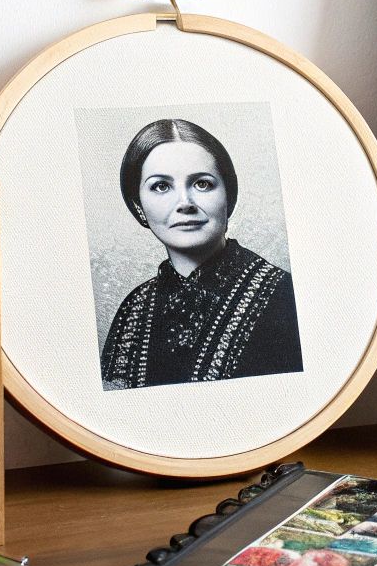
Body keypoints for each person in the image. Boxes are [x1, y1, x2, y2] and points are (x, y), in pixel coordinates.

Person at [100, 118, 302, 389]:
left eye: (202, 184)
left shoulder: (285, 296)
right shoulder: (134, 308)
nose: (184, 203)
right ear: (138, 205)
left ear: (228, 195)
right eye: (161, 186)